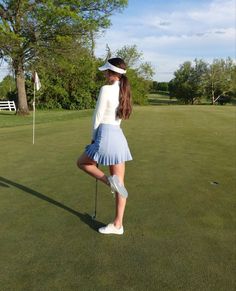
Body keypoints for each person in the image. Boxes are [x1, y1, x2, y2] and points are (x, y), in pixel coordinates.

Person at [77, 57, 133, 235]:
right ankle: (118, 225)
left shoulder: (106, 89)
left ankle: (109, 182)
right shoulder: (124, 90)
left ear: (111, 72)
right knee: (121, 185)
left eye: (106, 72)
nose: (105, 74)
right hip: (118, 136)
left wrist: (93, 138)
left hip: (105, 134)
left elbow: (97, 116)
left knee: (82, 162)